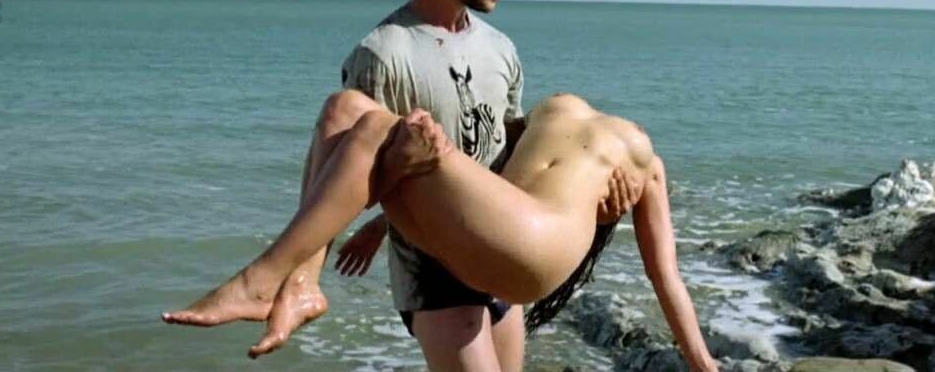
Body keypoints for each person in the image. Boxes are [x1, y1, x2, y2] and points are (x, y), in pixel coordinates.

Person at [163, 93, 719, 371]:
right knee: (346, 108)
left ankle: (260, 280)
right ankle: (301, 285)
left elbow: (664, 274)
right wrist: (382, 222)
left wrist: (703, 365)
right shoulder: (560, 118)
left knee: (380, 128)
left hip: (535, 248)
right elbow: (480, 182)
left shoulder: (644, 165)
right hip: (494, 236)